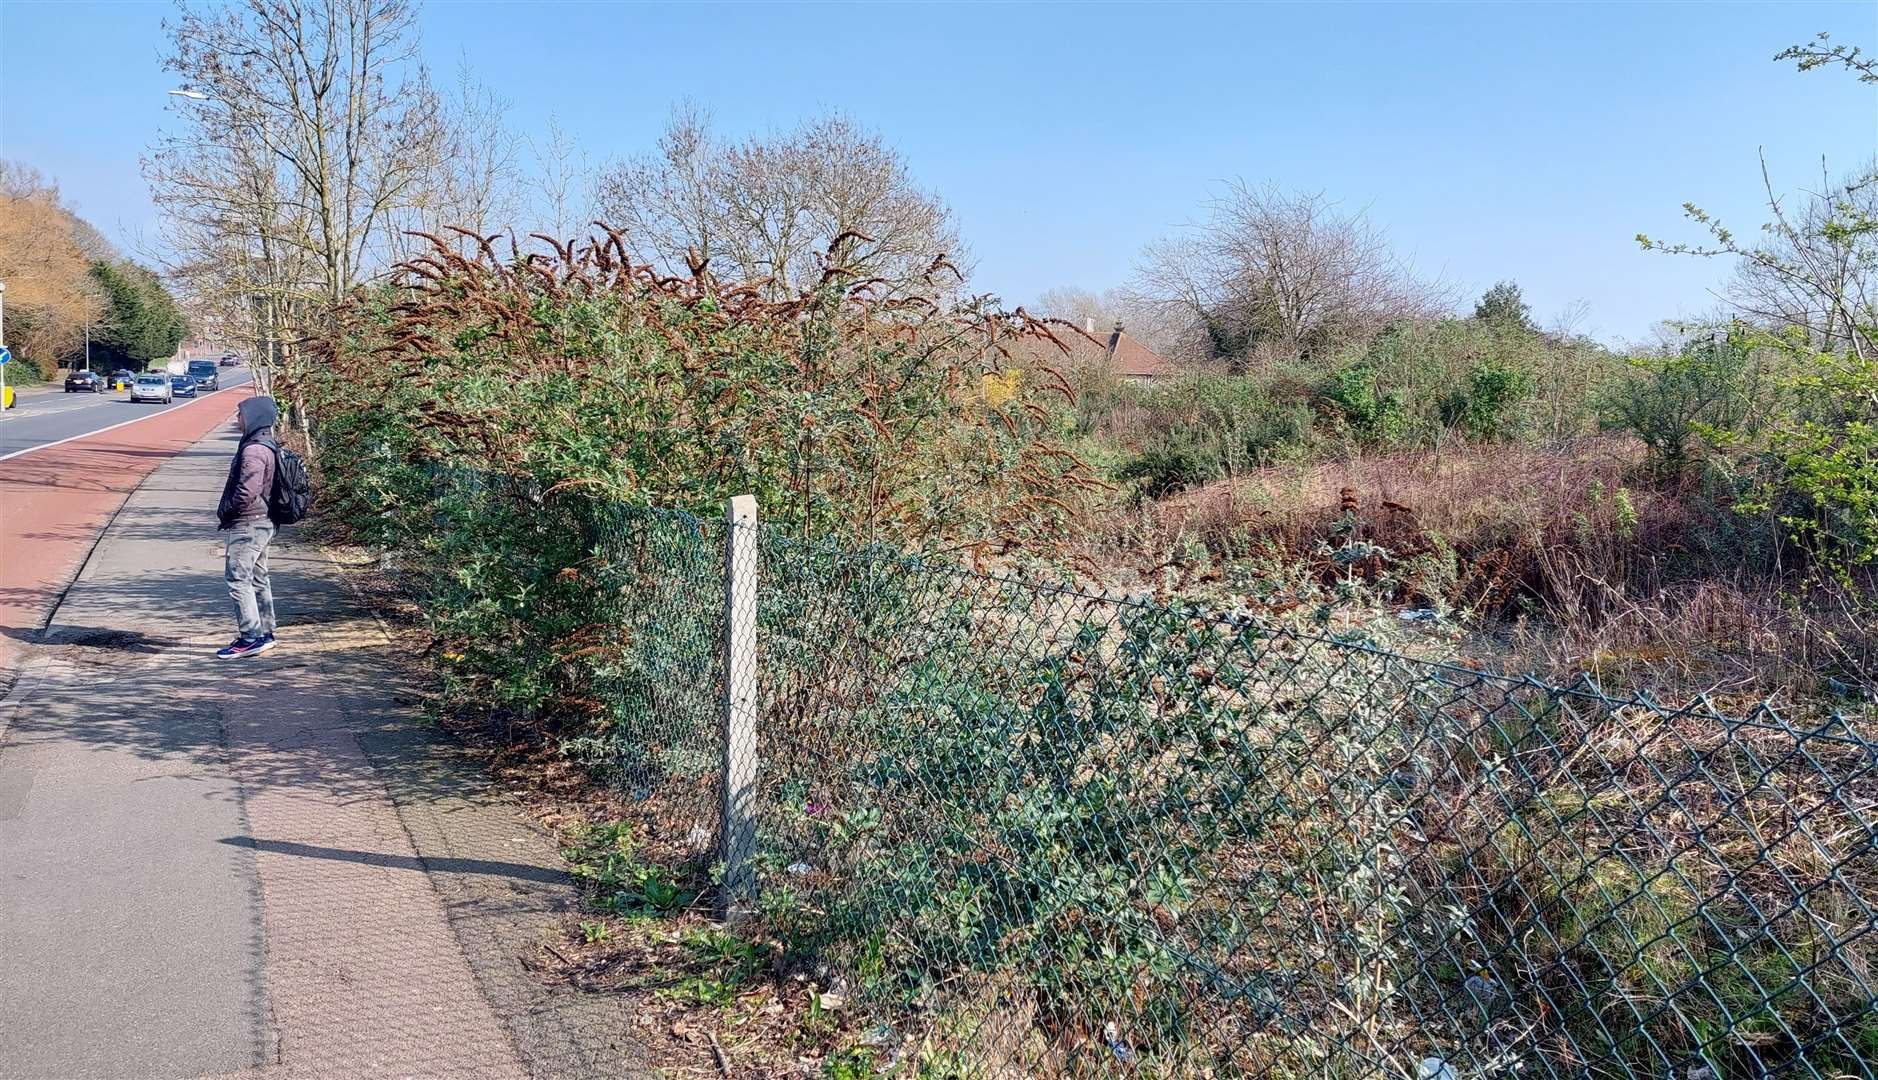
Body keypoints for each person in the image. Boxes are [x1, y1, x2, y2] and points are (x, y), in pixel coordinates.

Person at [216, 395, 281, 658]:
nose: (237, 418)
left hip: (248, 524)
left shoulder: (253, 450)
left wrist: (228, 510)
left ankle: (250, 637)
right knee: (257, 577)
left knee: (238, 578)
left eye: (240, 414)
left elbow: (248, 491)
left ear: (253, 417)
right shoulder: (266, 443)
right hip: (263, 521)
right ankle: (265, 633)